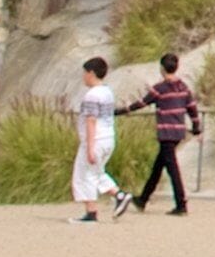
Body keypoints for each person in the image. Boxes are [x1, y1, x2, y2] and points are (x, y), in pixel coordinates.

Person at [132, 51, 201, 215]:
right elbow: (192, 108)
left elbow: (141, 103)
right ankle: (143, 199)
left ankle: (181, 203)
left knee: (172, 168)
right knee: (159, 166)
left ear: (162, 68)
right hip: (178, 132)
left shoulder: (160, 89)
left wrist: (119, 111)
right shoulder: (183, 87)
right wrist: (196, 127)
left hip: (166, 133)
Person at [71, 56, 128, 223]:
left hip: (96, 139)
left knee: (85, 174)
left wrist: (89, 147)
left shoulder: (92, 95)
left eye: (85, 73)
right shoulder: (107, 91)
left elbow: (91, 120)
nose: (83, 77)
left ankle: (92, 211)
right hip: (108, 138)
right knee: (96, 172)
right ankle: (119, 196)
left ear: (91, 73)